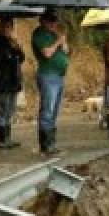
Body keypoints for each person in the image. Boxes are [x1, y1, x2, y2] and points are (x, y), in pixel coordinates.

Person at [31, 9, 69, 155]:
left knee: (54, 110)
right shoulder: (39, 34)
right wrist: (58, 42)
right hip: (48, 75)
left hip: (59, 75)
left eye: (55, 21)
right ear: (43, 21)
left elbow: (66, 51)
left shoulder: (54, 34)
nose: (54, 23)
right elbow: (47, 53)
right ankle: (45, 145)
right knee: (47, 109)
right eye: (51, 21)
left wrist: (63, 42)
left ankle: (51, 143)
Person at [0, 17, 25, 150]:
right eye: (5, 26)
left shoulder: (13, 42)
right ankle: (2, 140)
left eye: (9, 27)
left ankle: (8, 138)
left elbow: (22, 58)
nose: (7, 29)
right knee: (2, 110)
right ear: (0, 27)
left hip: (13, 81)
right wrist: (11, 52)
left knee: (10, 110)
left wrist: (17, 47)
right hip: (1, 82)